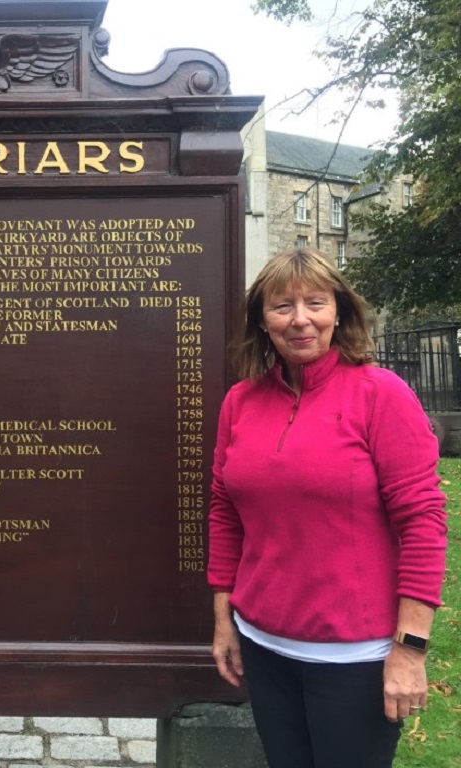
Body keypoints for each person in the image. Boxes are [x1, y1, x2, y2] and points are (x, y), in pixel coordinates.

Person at [208, 246, 447, 768]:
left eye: (315, 302)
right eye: (282, 306)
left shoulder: (381, 395)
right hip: (264, 647)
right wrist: (225, 619)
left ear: (338, 311)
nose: (300, 320)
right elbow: (225, 511)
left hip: (353, 659)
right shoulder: (240, 402)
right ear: (261, 320)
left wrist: (409, 649)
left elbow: (423, 523)